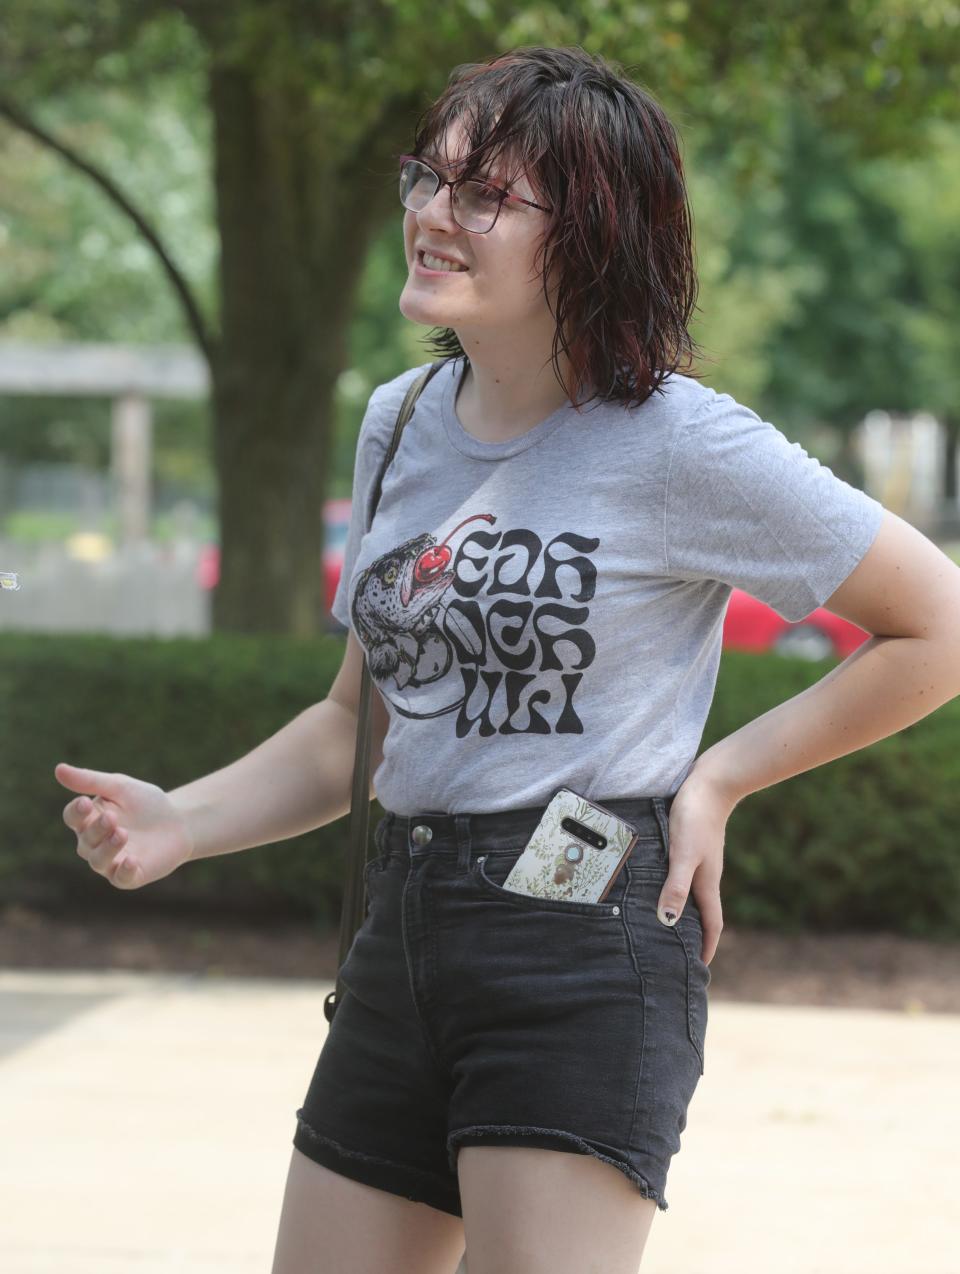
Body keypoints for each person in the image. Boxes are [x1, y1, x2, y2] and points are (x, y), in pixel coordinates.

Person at [56, 43, 960, 1274]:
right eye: (428, 176)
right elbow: (357, 722)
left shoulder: (680, 441)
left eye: (484, 195)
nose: (432, 213)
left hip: (581, 937)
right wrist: (181, 819)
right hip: (404, 926)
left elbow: (937, 624)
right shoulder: (401, 423)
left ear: (589, 233)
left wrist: (721, 777)